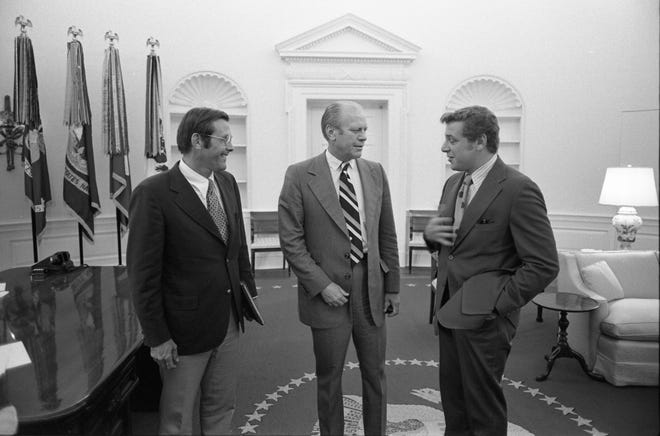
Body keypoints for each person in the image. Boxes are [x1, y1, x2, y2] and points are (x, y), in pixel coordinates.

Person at [424, 105, 559, 436]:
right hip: (448, 311)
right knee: (454, 404)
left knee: (483, 411)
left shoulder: (518, 189)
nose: (445, 148)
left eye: (452, 140)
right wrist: (431, 238)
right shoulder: (453, 184)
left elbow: (543, 265)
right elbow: (451, 247)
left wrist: (496, 305)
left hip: (486, 320)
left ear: (480, 141)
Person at [127, 107, 257, 435]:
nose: (230, 146)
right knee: (178, 419)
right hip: (181, 333)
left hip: (228, 321)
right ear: (196, 140)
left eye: (231, 139)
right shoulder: (153, 194)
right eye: (223, 139)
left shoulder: (226, 183)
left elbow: (237, 248)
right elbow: (143, 275)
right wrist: (157, 338)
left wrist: (247, 297)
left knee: (221, 407)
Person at [278, 101, 400, 436]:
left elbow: (386, 232)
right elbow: (291, 240)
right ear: (332, 133)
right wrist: (322, 285)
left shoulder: (375, 171)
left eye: (365, 130)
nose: (364, 137)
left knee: (375, 375)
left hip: (371, 291)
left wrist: (392, 286)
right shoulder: (300, 174)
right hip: (327, 294)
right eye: (356, 130)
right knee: (329, 378)